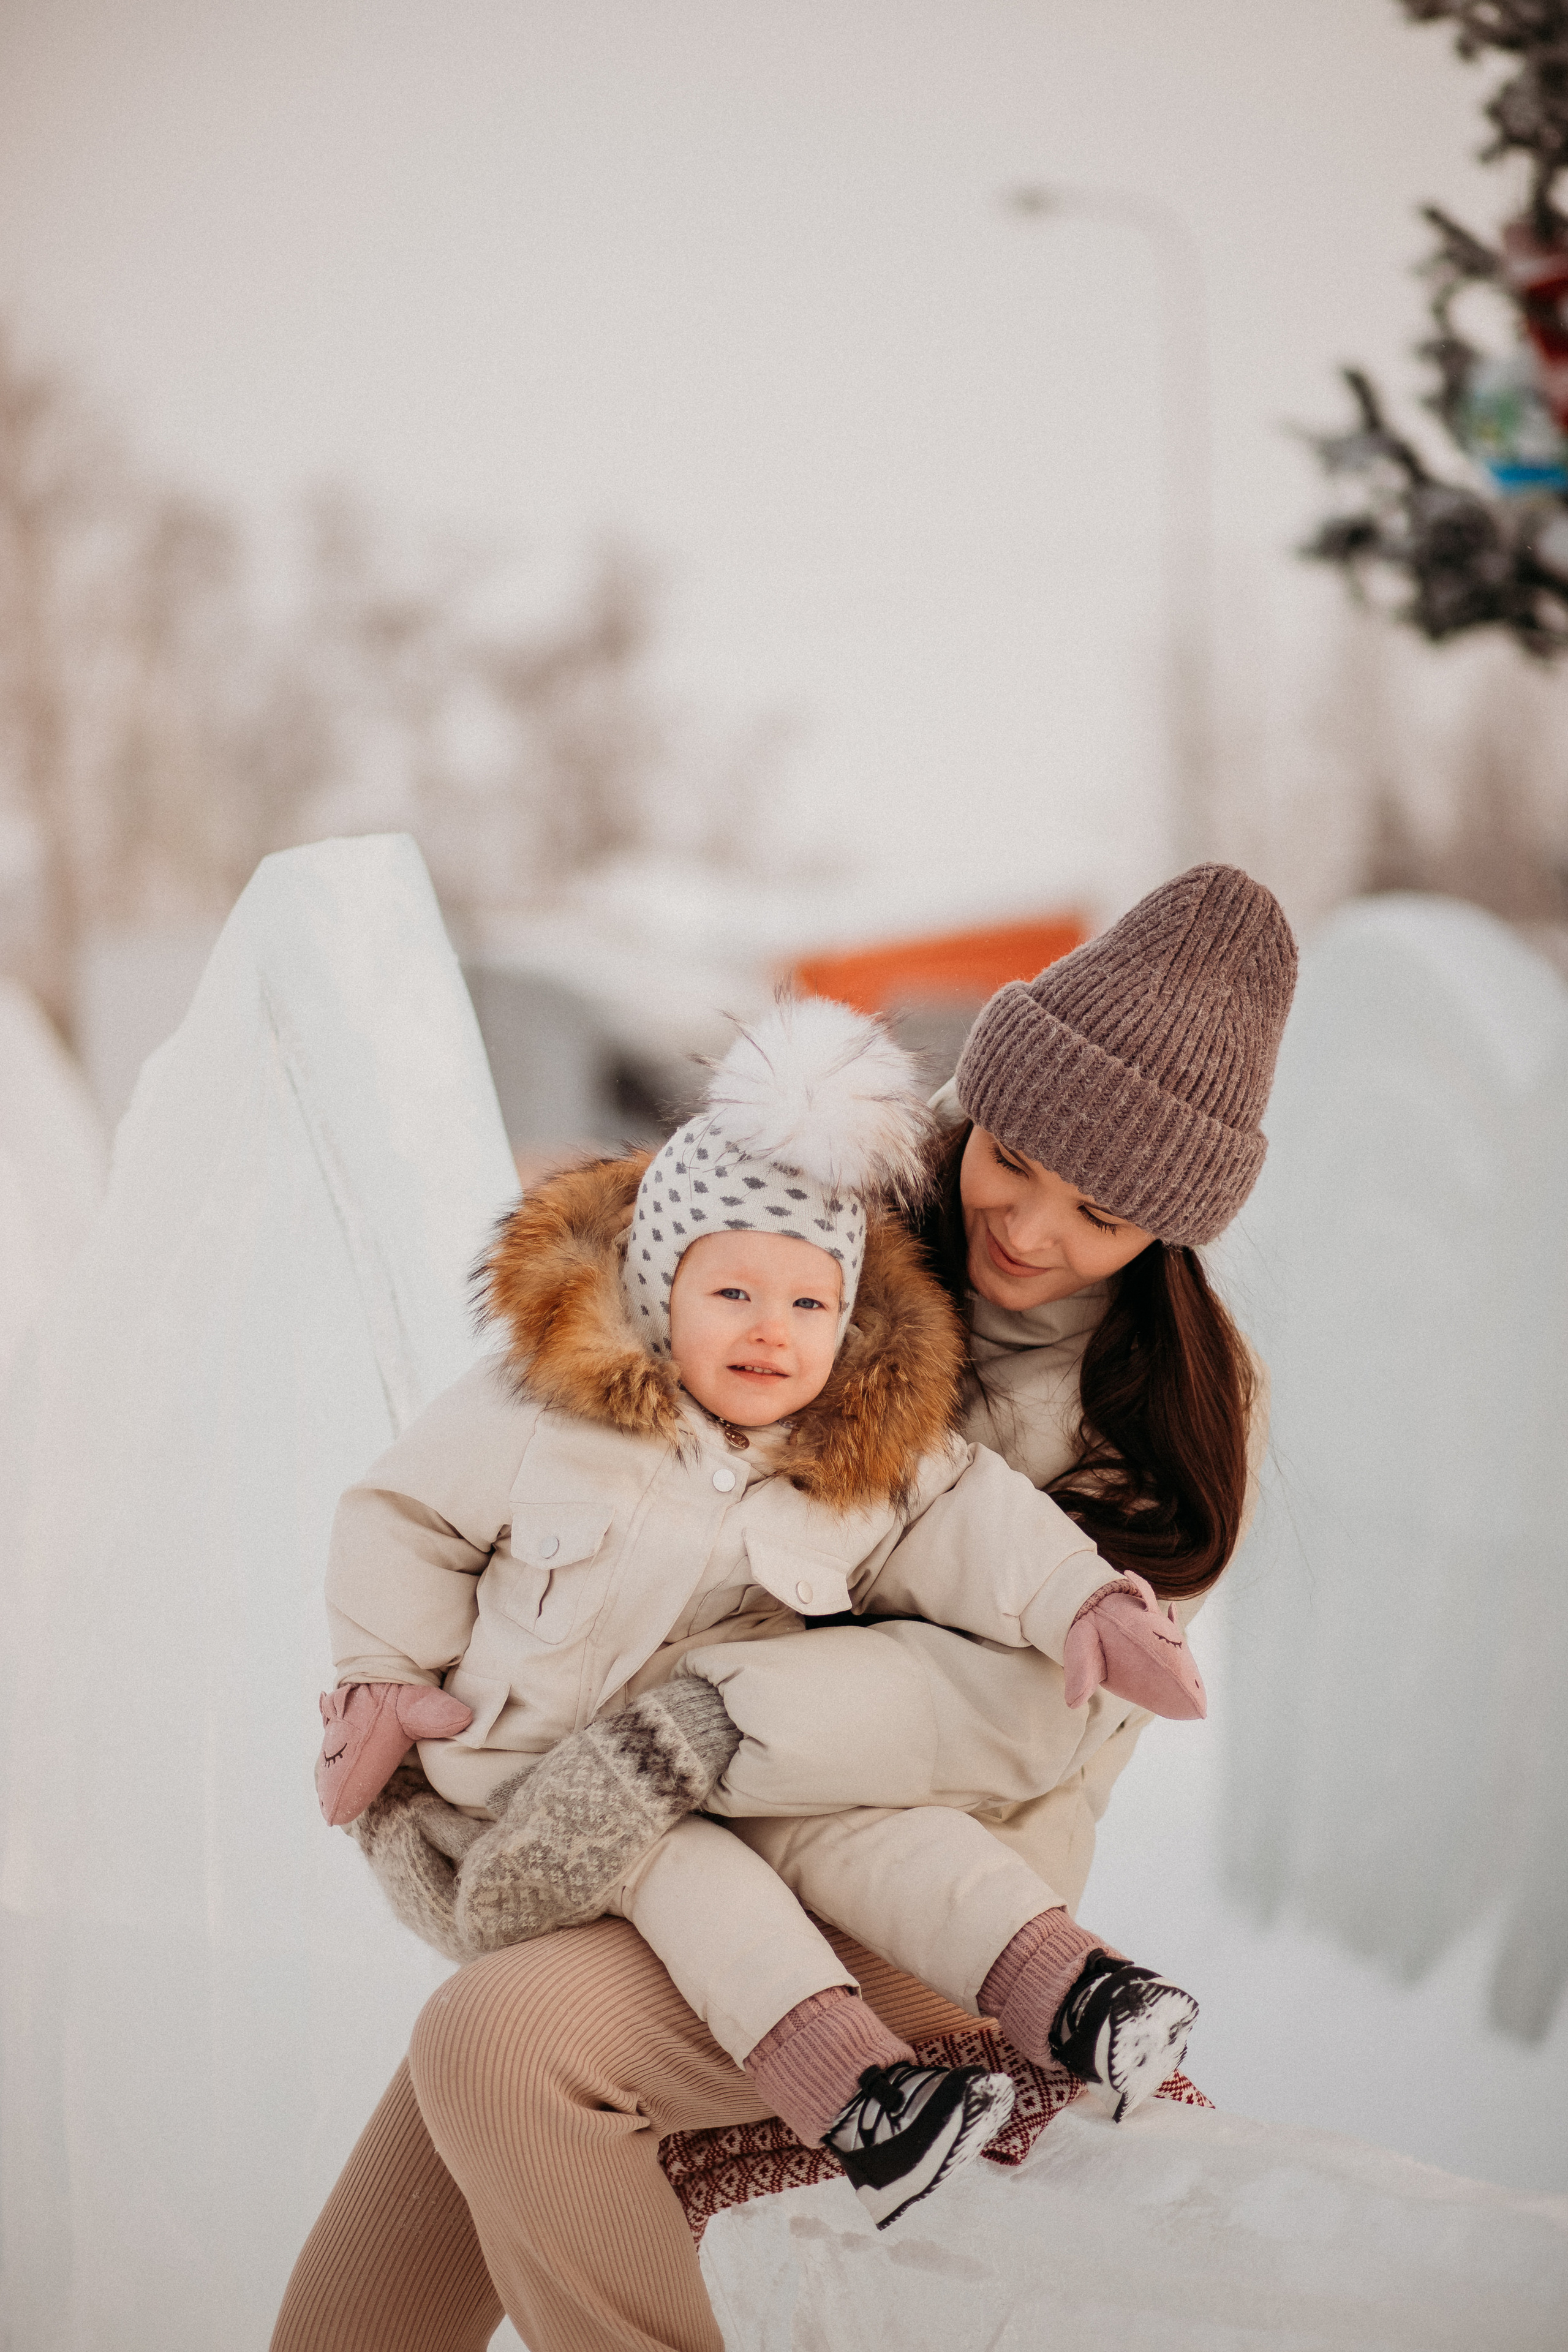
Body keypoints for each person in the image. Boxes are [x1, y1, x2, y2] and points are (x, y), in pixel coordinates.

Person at [273, 861, 1296, 2352]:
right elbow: (592, 1419)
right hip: (667, 1841)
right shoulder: (840, 1244)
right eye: (1008, 1154)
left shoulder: (1153, 1420)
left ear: (1171, 1229)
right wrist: (423, 1677)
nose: (1025, 1225)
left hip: (928, 1897)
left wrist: (694, 1727)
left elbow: (1018, 1724)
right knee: (360, 2284)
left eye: (1102, 1210)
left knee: (500, 2041)